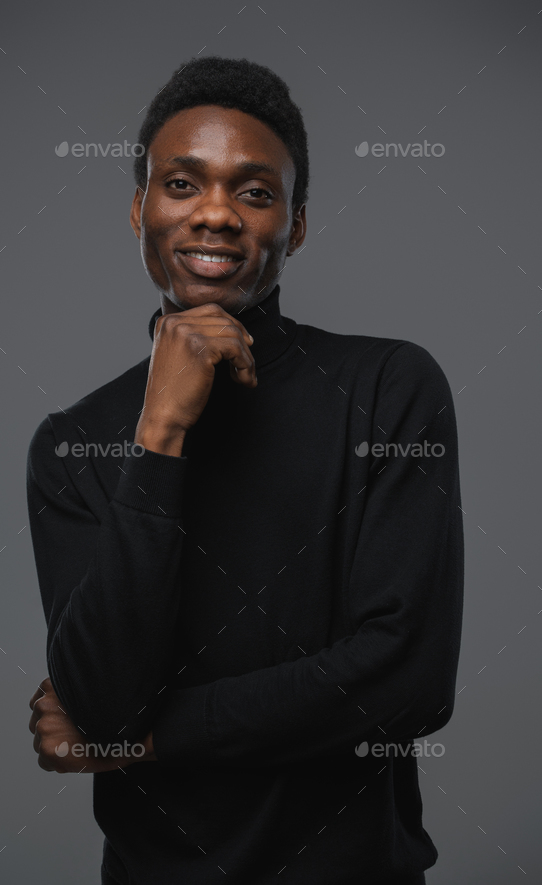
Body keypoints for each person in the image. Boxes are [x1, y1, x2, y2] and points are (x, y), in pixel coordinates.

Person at [27, 56, 463, 885]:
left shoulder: (389, 389)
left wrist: (152, 739)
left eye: (256, 192)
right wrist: (161, 429)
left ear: (295, 226)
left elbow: (408, 680)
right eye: (183, 184)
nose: (217, 215)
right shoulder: (72, 443)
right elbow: (103, 699)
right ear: (139, 209)